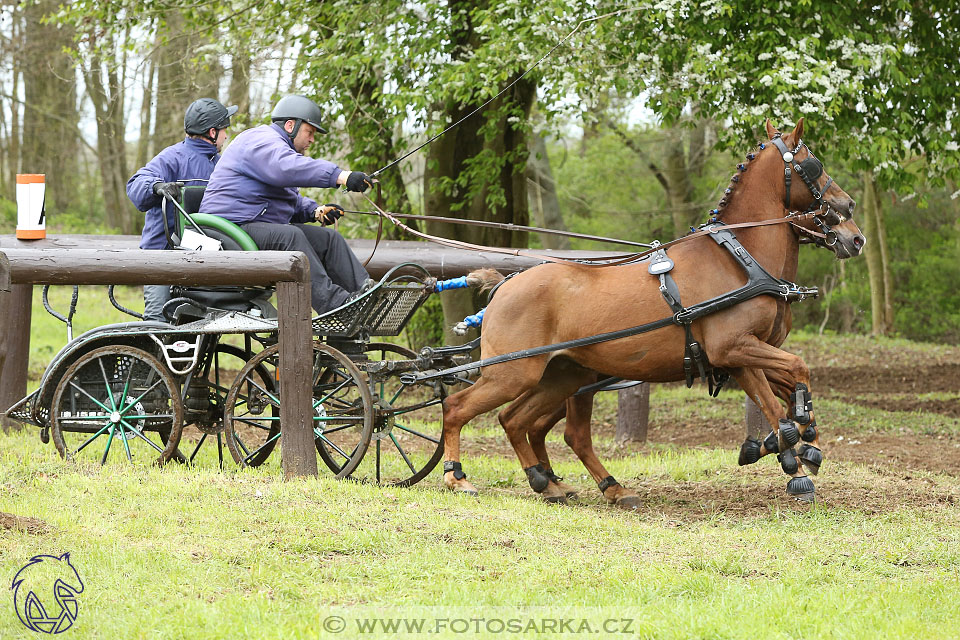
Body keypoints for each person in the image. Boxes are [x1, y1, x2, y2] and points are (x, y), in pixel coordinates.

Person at [199, 94, 373, 315]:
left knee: (330, 239)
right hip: (230, 229)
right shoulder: (261, 140)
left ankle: (366, 294)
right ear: (291, 125)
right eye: (309, 132)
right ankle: (338, 307)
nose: (312, 140)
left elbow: (285, 197)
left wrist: (315, 211)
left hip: (253, 224)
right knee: (290, 236)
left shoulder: (278, 148)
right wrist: (340, 176)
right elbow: (287, 168)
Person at [127, 98, 239, 321]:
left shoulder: (221, 164)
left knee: (197, 328)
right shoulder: (172, 157)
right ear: (212, 132)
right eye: (225, 129)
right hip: (161, 258)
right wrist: (156, 186)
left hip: (199, 258)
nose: (227, 136)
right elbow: (135, 185)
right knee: (158, 322)